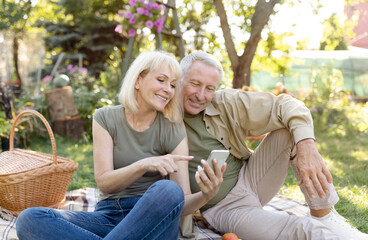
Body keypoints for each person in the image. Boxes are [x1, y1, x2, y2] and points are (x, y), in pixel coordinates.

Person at [16, 50, 223, 240]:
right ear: (138, 80)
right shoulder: (105, 118)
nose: (168, 90)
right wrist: (143, 165)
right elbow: (105, 183)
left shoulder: (173, 128)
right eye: (161, 80)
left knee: (169, 190)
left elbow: (181, 202)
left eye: (172, 85)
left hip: (153, 220)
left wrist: (206, 195)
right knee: (30, 219)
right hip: (109, 216)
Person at [180, 51, 368, 240]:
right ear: (179, 79)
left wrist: (307, 147)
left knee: (291, 131)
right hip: (225, 208)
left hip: (252, 177)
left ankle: (324, 215)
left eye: (210, 88)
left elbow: (288, 105)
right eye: (195, 84)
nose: (201, 95)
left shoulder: (224, 102)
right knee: (303, 229)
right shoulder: (163, 119)